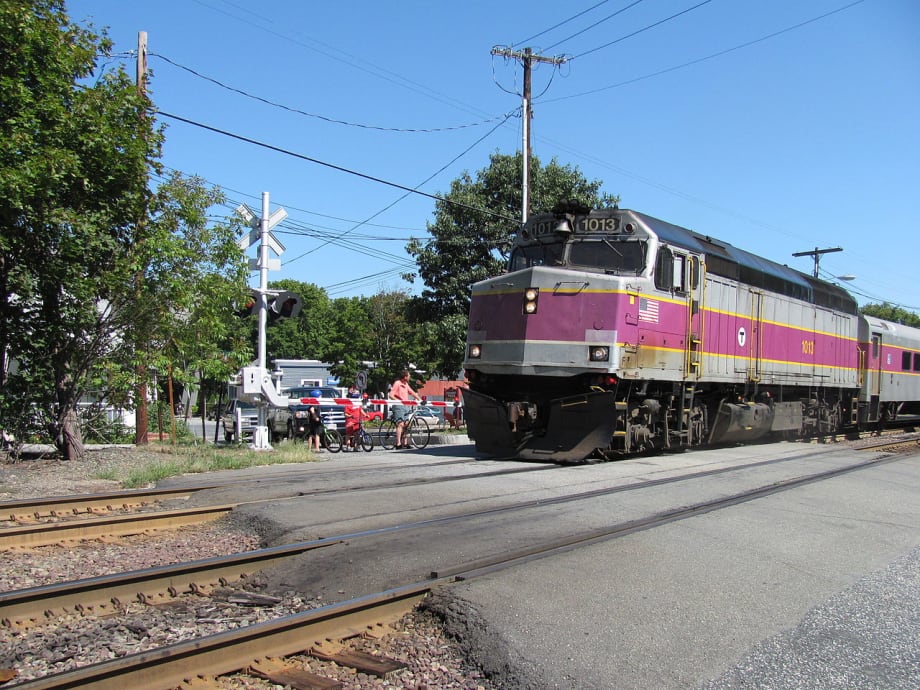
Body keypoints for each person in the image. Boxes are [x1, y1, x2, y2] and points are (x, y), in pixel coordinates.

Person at [389, 369, 421, 449]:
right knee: (400, 424)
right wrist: (398, 401)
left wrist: (420, 400)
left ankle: (405, 443)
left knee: (407, 424)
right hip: (399, 406)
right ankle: (398, 443)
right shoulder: (397, 383)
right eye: (409, 375)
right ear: (405, 377)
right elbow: (391, 395)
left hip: (406, 406)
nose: (410, 377)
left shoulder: (406, 384)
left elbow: (412, 392)